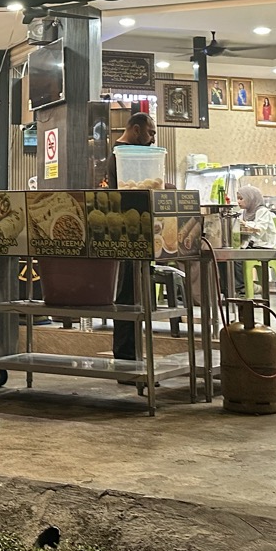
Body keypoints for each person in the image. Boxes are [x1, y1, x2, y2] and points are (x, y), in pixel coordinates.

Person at [111, 113, 157, 366]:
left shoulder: (134, 154)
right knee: (128, 297)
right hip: (128, 236)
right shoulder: (122, 155)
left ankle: (133, 354)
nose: (152, 139)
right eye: (150, 133)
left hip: (139, 234)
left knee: (136, 298)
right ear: (136, 130)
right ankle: (127, 357)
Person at [236, 185, 276, 249]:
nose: (238, 202)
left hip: (265, 246)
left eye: (241, 199)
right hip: (249, 246)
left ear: (251, 198)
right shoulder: (242, 212)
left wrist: (245, 224)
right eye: (238, 199)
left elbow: (259, 229)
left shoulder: (263, 211)